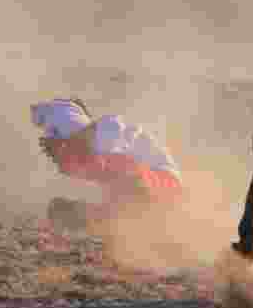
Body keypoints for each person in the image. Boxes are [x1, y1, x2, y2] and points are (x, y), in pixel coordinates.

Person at [31, 98, 184, 231]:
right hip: (154, 197)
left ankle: (142, 226)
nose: (50, 156)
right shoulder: (95, 151)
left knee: (66, 211)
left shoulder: (104, 138)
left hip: (163, 190)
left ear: (67, 141)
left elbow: (130, 181)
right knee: (62, 211)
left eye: (51, 148)